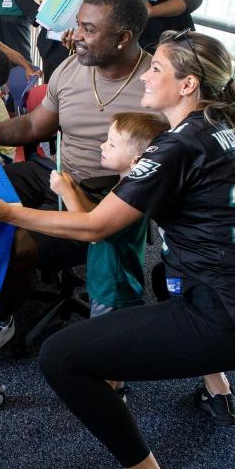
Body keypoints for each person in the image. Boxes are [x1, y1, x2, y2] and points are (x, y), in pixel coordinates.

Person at [0, 30, 235, 469]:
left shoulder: (176, 145)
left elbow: (95, 227)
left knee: (61, 357)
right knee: (166, 276)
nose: (147, 74)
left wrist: (8, 212)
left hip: (228, 319)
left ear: (188, 85)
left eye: (157, 68)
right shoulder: (224, 130)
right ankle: (215, 387)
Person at [0, 0, 155, 366]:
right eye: (78, 25)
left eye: (88, 29)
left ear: (123, 38)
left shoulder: (156, 85)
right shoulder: (72, 68)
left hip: (101, 201)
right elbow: (32, 126)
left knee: (18, 246)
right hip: (54, 171)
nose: (75, 35)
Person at [49, 112, 169, 319]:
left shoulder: (131, 197)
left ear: (137, 159)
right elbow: (95, 214)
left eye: (112, 144)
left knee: (104, 336)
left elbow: (88, 228)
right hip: (105, 278)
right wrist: (75, 190)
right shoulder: (124, 185)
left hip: (114, 288)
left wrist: (66, 193)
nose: (102, 146)